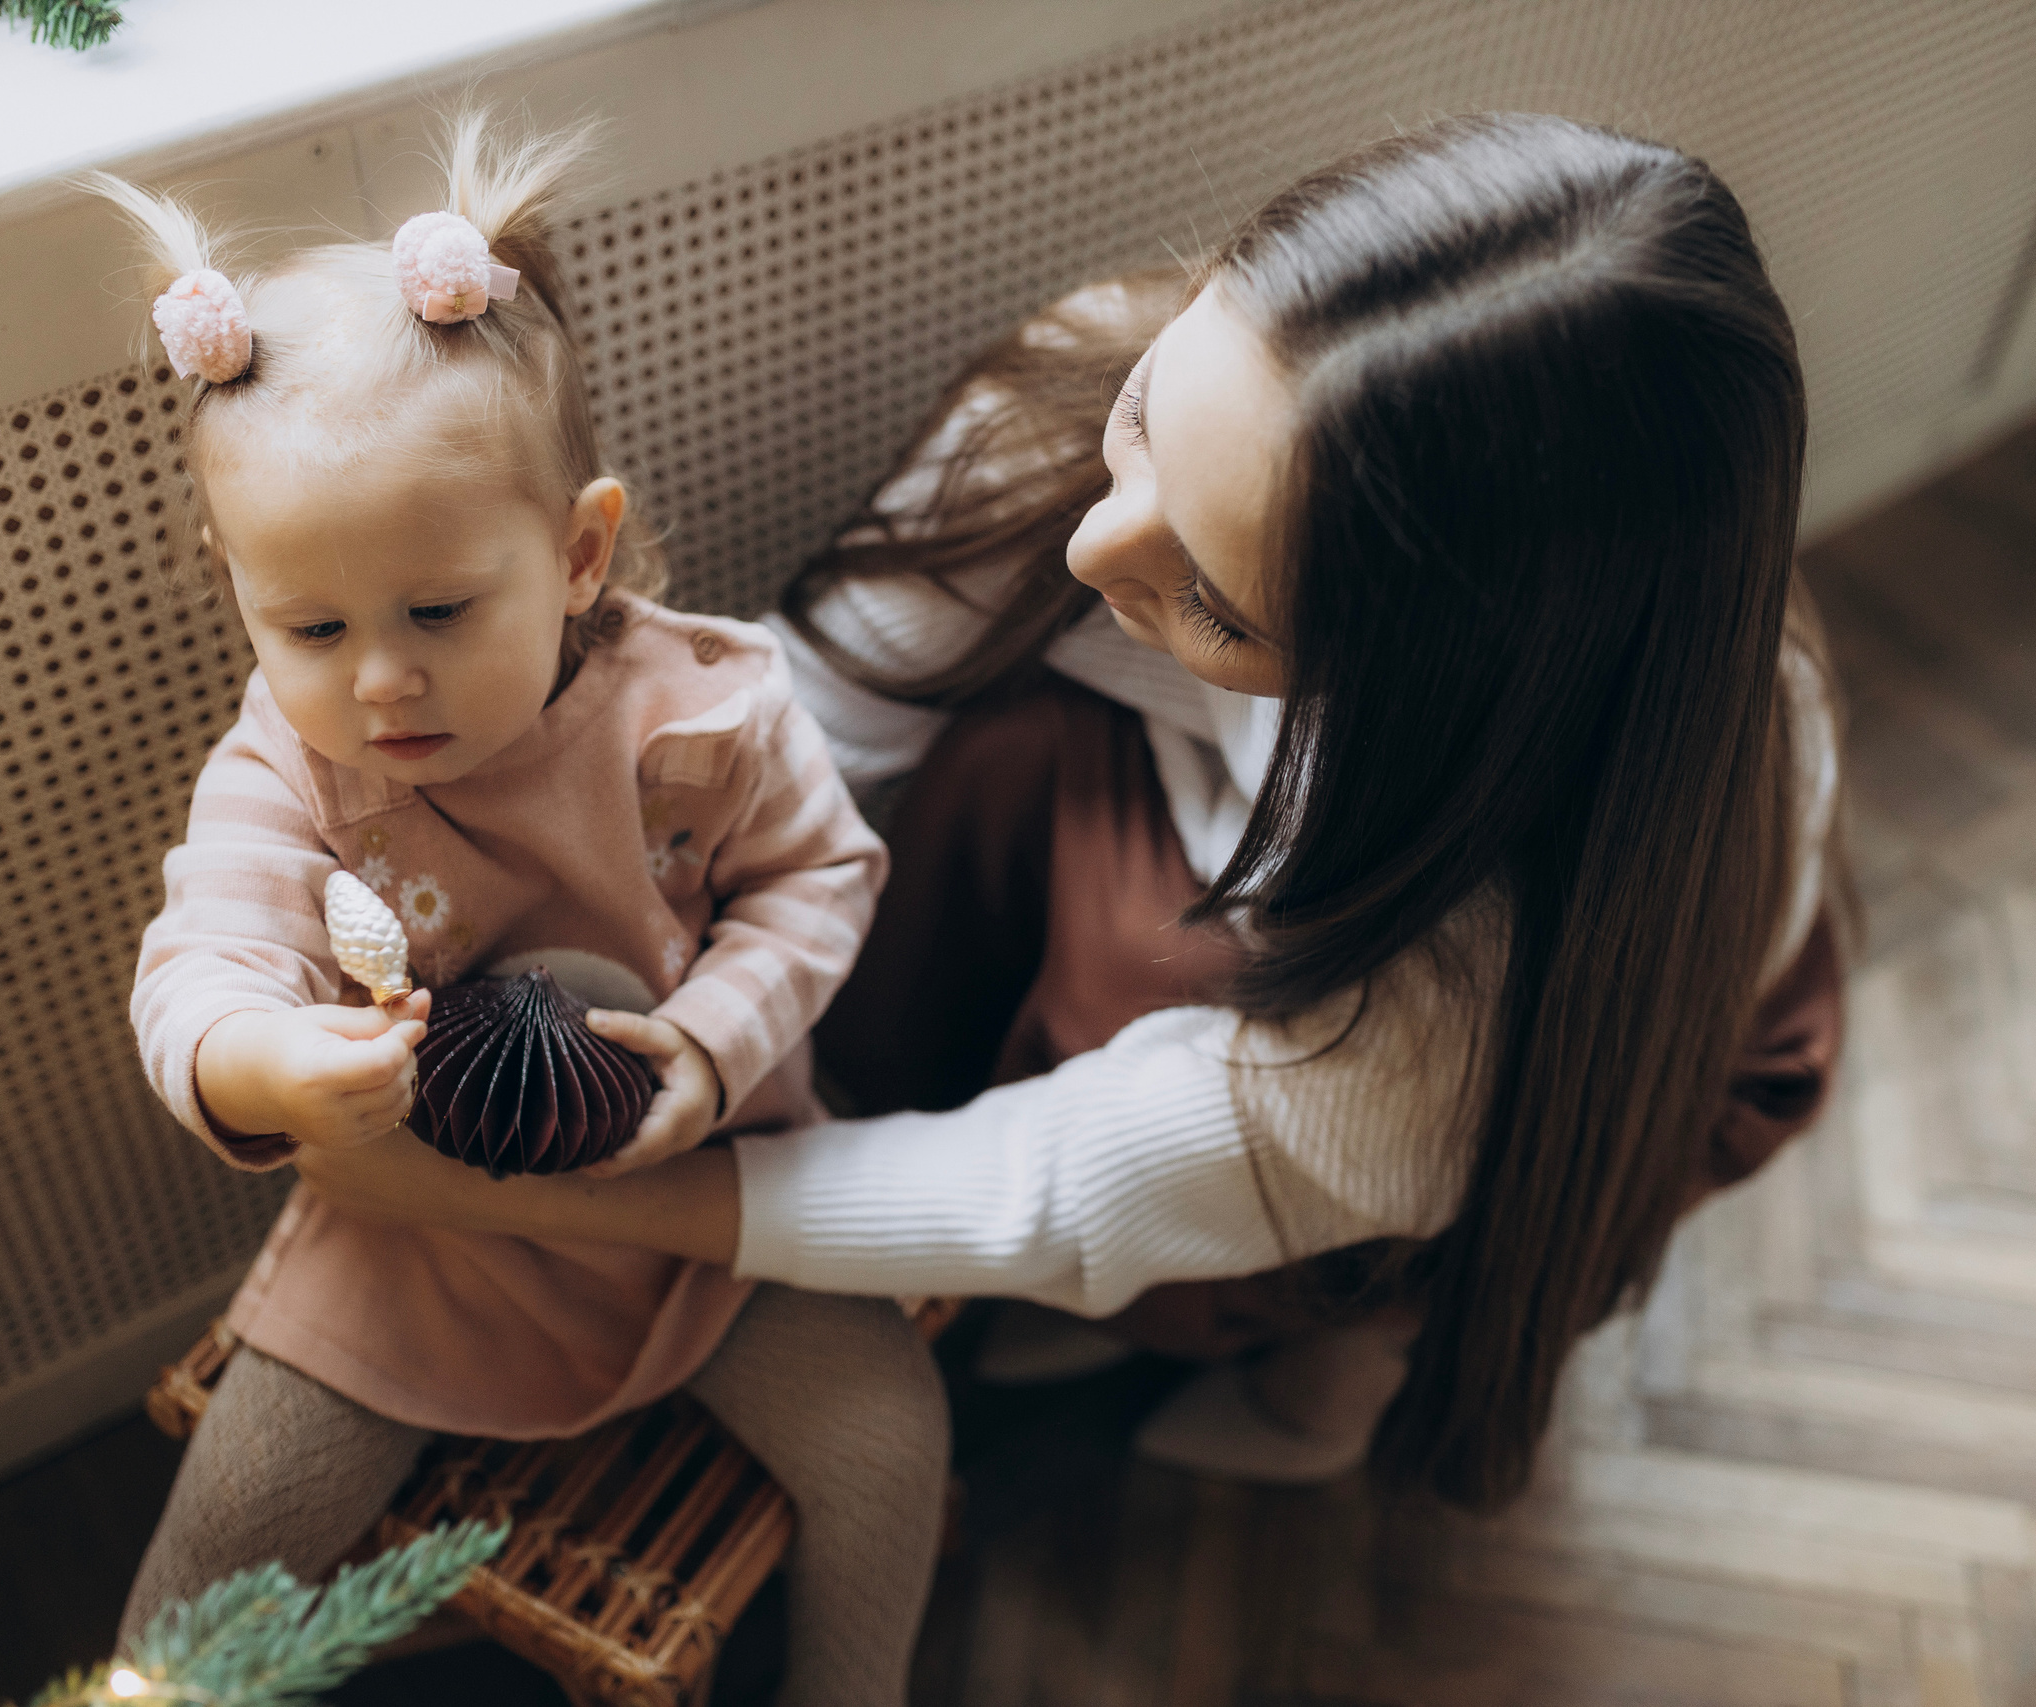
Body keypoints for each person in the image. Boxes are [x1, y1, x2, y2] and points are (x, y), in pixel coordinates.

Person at [292, 113, 1849, 1519]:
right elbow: (817, 736)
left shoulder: (1460, 1001)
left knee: (1351, 1231)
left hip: (1567, 1066)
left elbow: (1041, 1187)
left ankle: (1336, 1357)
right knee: (1002, 760)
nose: (1100, 551)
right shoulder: (1111, 388)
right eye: (1149, 420)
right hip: (1299, 891)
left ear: (1416, 689)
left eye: (1220, 606)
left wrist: (533, 1199)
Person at [99, 115, 944, 1707]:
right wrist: (259, 1068)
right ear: (234, 589)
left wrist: (704, 1049)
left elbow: (821, 881)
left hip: (703, 1202)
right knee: (224, 1530)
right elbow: (199, 955)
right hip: (420, 1238)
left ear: (575, 552)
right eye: (312, 623)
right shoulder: (290, 775)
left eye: (437, 610)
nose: (380, 677)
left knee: (889, 1439)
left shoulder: (698, 711)